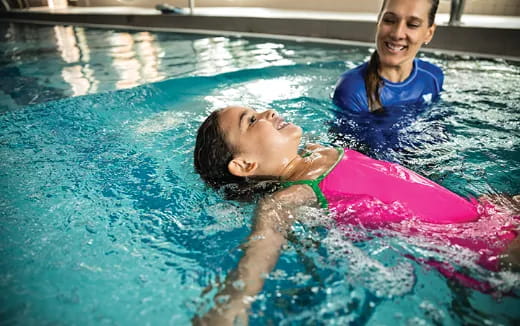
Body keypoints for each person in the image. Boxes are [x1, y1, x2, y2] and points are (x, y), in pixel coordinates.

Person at [193, 106, 519, 325]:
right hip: (482, 248)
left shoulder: (316, 152)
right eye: (251, 121)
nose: (268, 111)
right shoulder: (288, 198)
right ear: (245, 165)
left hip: (486, 214)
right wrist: (231, 305)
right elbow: (255, 262)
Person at [333, 0, 443, 113]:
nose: (397, 34)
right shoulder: (353, 89)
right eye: (389, 20)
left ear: (429, 33)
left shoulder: (433, 77)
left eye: (412, 25)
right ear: (378, 22)